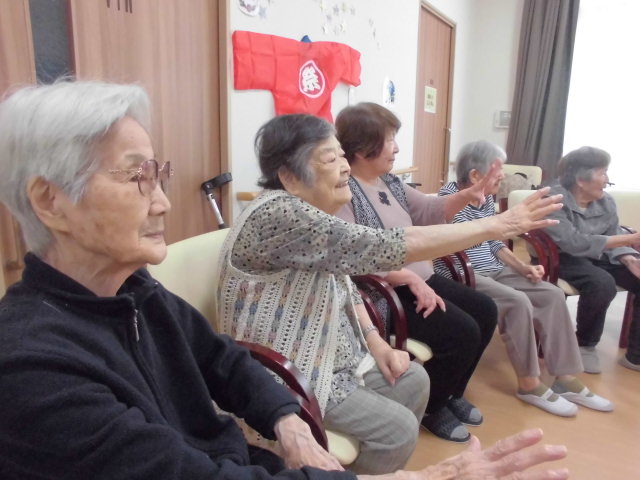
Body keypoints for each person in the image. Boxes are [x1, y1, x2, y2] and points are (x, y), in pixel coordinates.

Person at [0, 81, 569, 480]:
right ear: (50, 201)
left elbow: (222, 358)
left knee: (415, 378)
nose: (164, 202)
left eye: (159, 174)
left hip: (286, 405)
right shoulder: (31, 367)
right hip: (289, 384)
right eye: (136, 177)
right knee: (407, 410)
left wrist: (285, 419)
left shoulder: (133, 291)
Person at [333, 102, 497, 443]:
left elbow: (429, 210)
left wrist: (468, 195)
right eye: (389, 139)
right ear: (362, 148)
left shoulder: (390, 183)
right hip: (386, 292)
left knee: (486, 310)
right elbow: (352, 256)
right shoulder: (344, 192)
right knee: (462, 332)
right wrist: (405, 276)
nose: (396, 148)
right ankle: (432, 408)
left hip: (421, 278)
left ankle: (451, 393)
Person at [434, 140, 614, 417]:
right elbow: (453, 245)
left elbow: (493, 241)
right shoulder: (448, 201)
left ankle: (565, 378)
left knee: (551, 293)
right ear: (475, 175)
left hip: (493, 268)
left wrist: (522, 267)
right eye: (498, 169)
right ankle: (529, 384)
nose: (503, 175)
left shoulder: (486, 197)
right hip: (463, 273)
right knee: (517, 301)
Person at [544, 146, 640, 373]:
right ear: (580, 179)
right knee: (602, 283)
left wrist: (628, 258)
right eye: (603, 172)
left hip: (600, 254)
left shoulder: (607, 201)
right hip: (562, 257)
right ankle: (585, 344)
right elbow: (572, 242)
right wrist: (629, 239)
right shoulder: (552, 199)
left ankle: (636, 356)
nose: (607, 179)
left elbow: (613, 232)